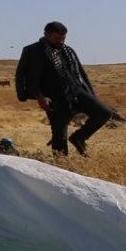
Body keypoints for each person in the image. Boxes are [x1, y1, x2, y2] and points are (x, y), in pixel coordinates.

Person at [15, 21, 115, 156]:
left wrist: (91, 94)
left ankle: (79, 138)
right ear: (47, 35)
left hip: (77, 92)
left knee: (104, 112)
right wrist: (39, 96)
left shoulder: (69, 51)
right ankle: (62, 167)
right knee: (59, 135)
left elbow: (80, 73)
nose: (60, 41)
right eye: (56, 38)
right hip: (53, 98)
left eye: (63, 38)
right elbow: (25, 75)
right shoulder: (32, 50)